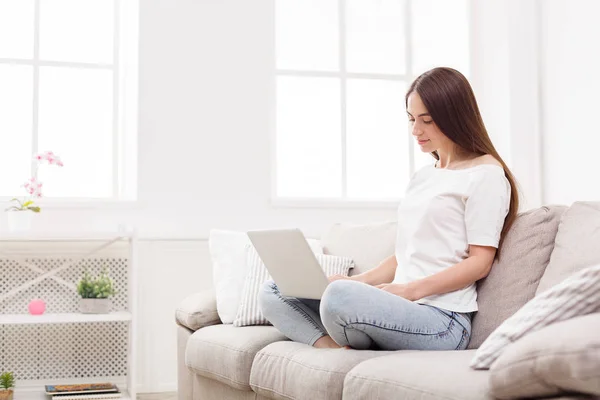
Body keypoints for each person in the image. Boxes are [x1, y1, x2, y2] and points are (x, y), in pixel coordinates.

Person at [259, 67, 519, 351]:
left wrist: (408, 291)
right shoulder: (424, 175)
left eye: (427, 120)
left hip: (442, 319)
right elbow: (403, 256)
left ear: (454, 116)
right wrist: (356, 280)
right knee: (274, 290)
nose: (415, 130)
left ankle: (347, 324)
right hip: (399, 305)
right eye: (411, 119)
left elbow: (479, 262)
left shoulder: (486, 175)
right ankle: (332, 349)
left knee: (340, 299)